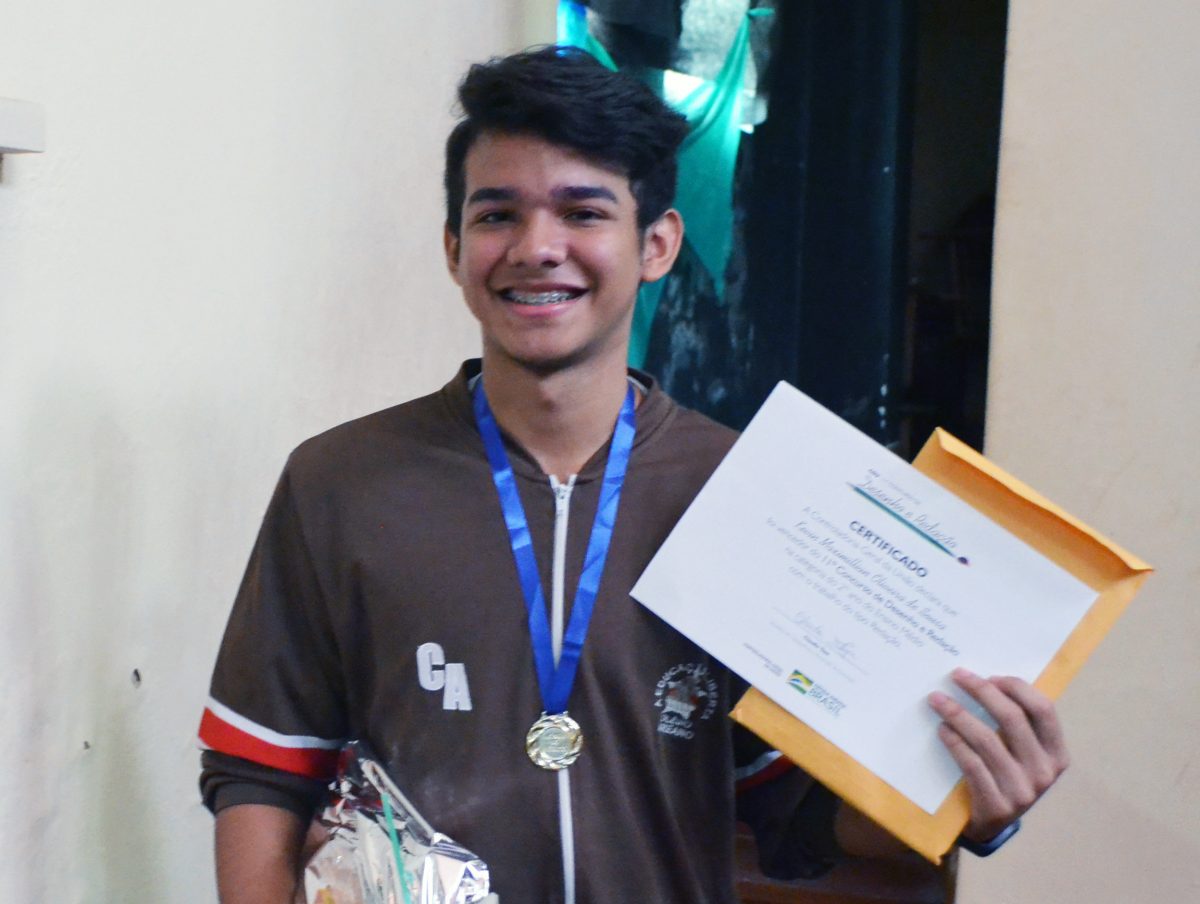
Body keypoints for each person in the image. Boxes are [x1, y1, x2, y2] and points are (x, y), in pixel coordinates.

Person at [198, 47, 1069, 904]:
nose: (538, 248)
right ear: (454, 246)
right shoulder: (341, 483)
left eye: (582, 212)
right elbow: (261, 770)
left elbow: (796, 814)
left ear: (657, 244)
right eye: (498, 215)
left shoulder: (745, 493)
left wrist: (972, 802)